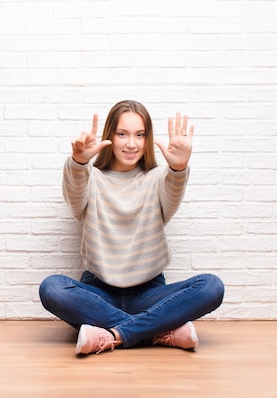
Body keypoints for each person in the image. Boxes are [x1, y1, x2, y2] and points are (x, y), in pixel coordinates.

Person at [39, 100, 225, 355]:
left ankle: (113, 334)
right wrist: (78, 163)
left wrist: (179, 168)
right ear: (110, 136)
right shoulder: (91, 177)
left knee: (211, 286)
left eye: (140, 135)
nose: (131, 143)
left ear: (147, 139)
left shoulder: (159, 177)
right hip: (98, 291)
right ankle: (157, 330)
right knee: (52, 288)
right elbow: (75, 201)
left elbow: (171, 199)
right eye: (122, 134)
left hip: (149, 292)